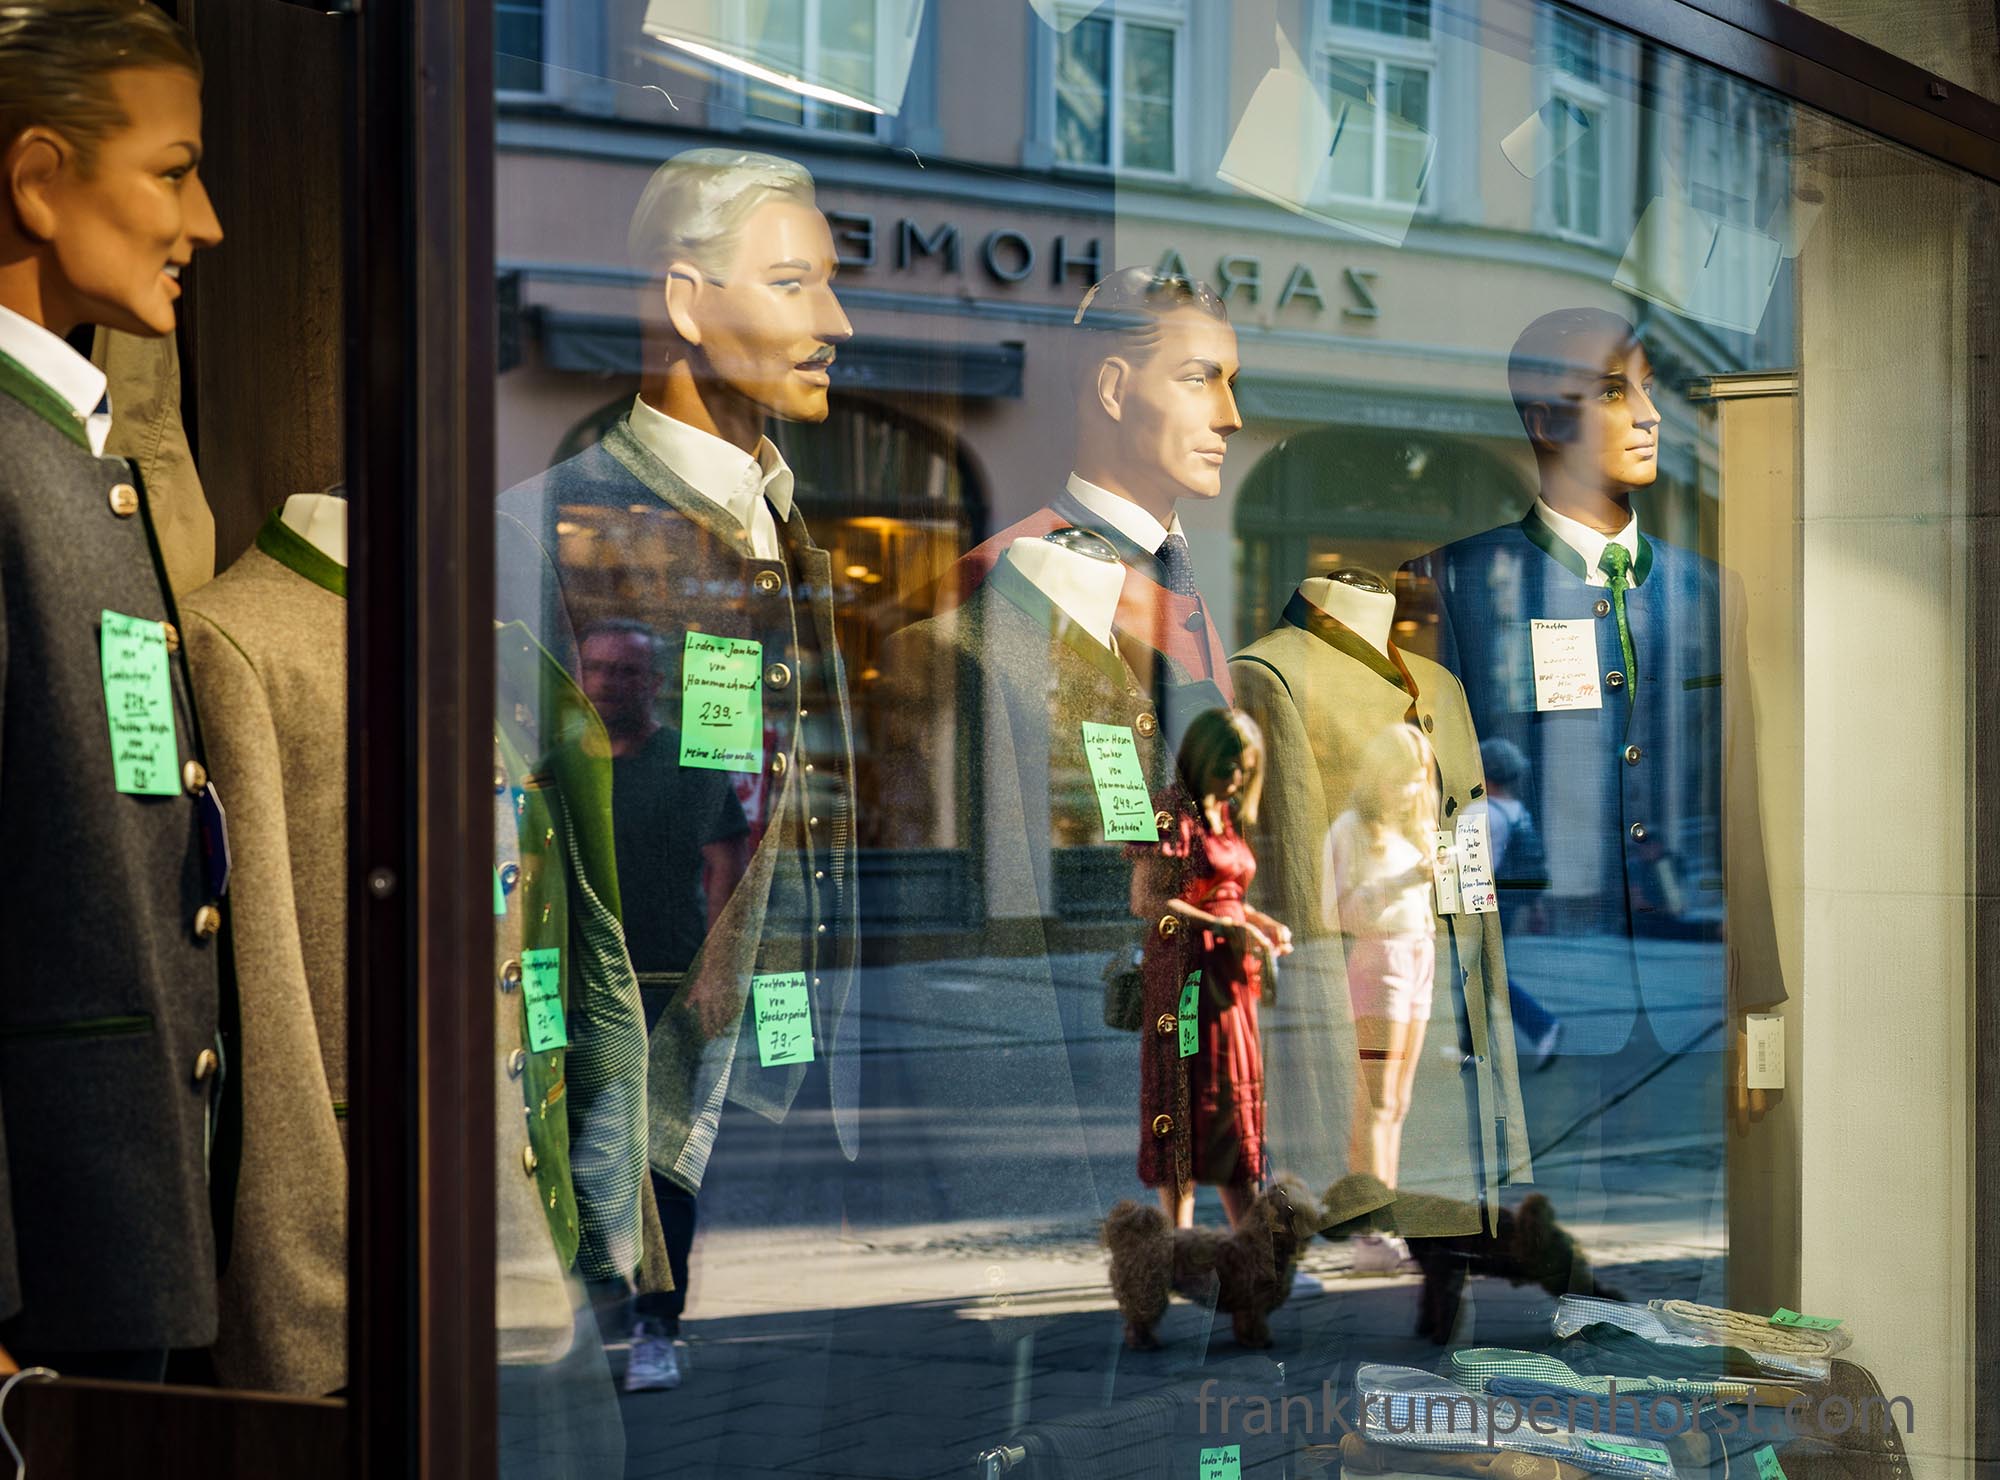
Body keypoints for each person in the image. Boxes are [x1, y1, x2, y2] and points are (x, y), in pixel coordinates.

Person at [0, 0, 230, 1379]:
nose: (205, 223)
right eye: (172, 171)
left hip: (108, 1230)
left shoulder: (69, 449)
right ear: (38, 179)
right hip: (43, 1273)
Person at [937, 267, 1243, 735]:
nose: (1231, 417)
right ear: (1113, 390)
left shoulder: (1180, 576)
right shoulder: (1004, 570)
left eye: (1231, 384)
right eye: (1198, 379)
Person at [578, 619, 749, 1391]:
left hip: (662, 989)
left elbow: (728, 867)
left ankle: (656, 1324)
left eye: (626, 672)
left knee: (661, 1164)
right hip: (573, 991)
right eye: (597, 669)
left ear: (654, 683)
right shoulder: (562, 763)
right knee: (572, 1156)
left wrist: (716, 974)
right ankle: (597, 1301)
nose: (608, 684)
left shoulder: (688, 763)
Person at [1130, 708, 1292, 1231]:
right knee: (1186, 1095)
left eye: (1246, 769)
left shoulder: (1223, 812)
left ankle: (1246, 1239)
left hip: (1229, 980)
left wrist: (1259, 923)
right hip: (1185, 979)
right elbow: (1147, 899)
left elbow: (1226, 895)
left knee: (1228, 1100)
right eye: (1229, 768)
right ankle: (1183, 1241)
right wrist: (1224, 927)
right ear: (1202, 760)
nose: (1238, 780)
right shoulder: (1171, 812)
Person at [1322, 723, 1439, 1194]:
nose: (1409, 791)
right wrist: (1403, 882)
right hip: (1380, 959)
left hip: (1420, 956)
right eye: (1399, 780)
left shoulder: (1415, 829)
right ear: (1378, 776)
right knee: (1377, 1100)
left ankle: (1383, 1208)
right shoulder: (1350, 828)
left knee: (1399, 1101)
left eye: (1416, 780)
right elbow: (1333, 912)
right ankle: (1373, 1216)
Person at [1479, 736, 1562, 1069]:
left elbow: (1472, 865)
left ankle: (1541, 1025)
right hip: (1509, 902)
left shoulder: (1481, 811)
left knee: (1488, 974)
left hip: (1485, 904)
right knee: (1483, 973)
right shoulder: (1518, 811)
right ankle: (1472, 1047)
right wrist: (1536, 907)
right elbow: (1529, 862)